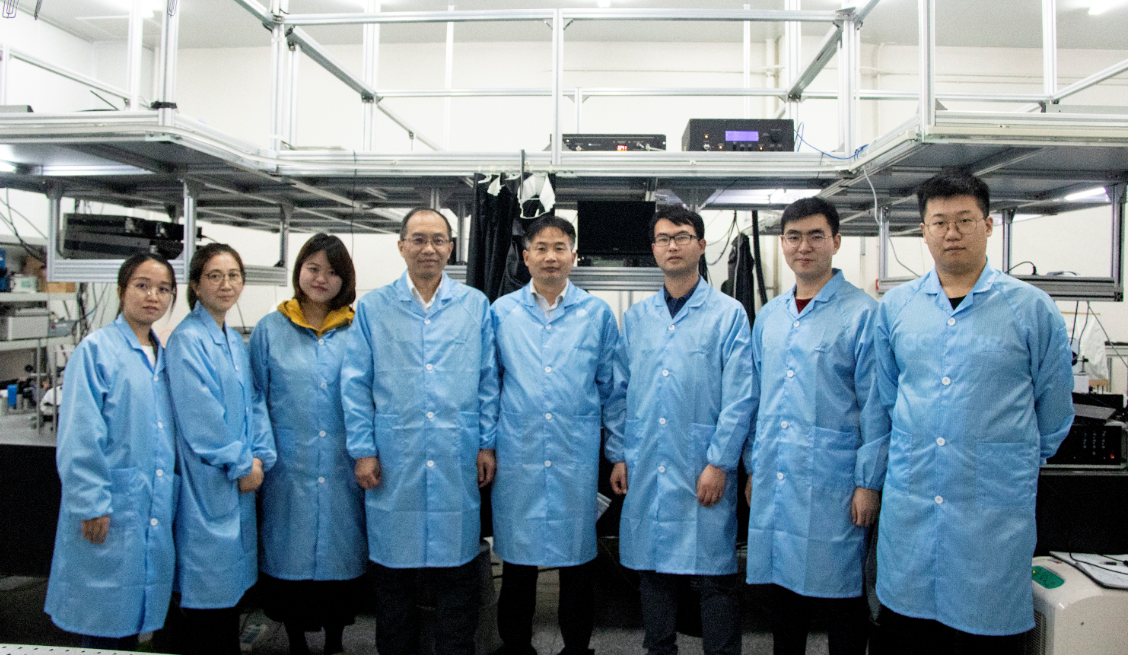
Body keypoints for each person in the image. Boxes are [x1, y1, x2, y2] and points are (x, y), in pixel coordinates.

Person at [871, 169, 1074, 653]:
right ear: (924, 231)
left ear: (987, 225)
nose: (952, 233)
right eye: (940, 222)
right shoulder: (897, 308)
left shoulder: (1031, 309)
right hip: (913, 503)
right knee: (908, 633)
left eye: (964, 220)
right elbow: (888, 398)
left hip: (992, 515)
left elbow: (1054, 413)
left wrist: (1004, 460)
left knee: (984, 634)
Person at [342, 207, 499, 655]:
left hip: (455, 454)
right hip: (396, 457)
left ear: (451, 248)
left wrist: (486, 443)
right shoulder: (374, 307)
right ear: (401, 246)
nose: (428, 248)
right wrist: (363, 449)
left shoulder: (474, 305)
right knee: (394, 579)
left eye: (438, 240)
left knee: (457, 575)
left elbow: (487, 380)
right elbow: (355, 383)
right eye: (418, 239)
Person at [606, 205, 754, 655]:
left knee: (715, 576)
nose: (673, 246)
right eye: (664, 238)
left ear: (701, 245)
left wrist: (719, 463)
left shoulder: (728, 314)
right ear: (653, 249)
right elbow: (619, 392)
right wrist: (618, 453)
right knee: (653, 572)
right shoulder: (637, 318)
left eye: (683, 236)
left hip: (702, 465)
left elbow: (740, 396)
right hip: (647, 461)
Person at [742, 197, 887, 655]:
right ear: (782, 244)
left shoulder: (862, 314)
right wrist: (753, 467)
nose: (803, 247)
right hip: (777, 476)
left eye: (815, 236)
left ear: (836, 241)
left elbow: (876, 407)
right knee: (784, 598)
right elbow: (757, 400)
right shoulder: (770, 316)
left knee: (844, 598)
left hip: (836, 483)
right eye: (793, 237)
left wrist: (868, 484)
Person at [489, 216, 624, 655]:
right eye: (541, 248)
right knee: (518, 563)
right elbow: (489, 385)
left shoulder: (596, 314)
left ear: (574, 256)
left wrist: (618, 452)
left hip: (574, 455)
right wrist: (485, 443)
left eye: (560, 247)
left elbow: (613, 389)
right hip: (519, 453)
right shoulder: (502, 313)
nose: (551, 256)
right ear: (526, 256)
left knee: (577, 562)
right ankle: (516, 647)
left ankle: (576, 648)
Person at [44, 252, 179, 651]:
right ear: (121, 291)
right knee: (104, 622)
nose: (153, 296)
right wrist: (91, 502)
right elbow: (80, 434)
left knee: (136, 617)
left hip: (150, 502)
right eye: (142, 285)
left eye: (163, 289)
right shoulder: (96, 350)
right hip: (110, 503)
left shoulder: (164, 355)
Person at [250, 234, 366, 655]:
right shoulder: (269, 329)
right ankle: (295, 641)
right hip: (287, 466)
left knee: (341, 557)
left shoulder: (358, 329)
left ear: (345, 280)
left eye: (333, 272)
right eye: (313, 268)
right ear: (299, 271)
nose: (321, 279)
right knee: (289, 557)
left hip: (343, 466)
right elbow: (254, 397)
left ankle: (336, 641)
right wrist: (261, 454)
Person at [167, 243, 276, 655]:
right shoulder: (187, 340)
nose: (226, 284)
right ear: (196, 285)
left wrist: (261, 455)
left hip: (239, 482)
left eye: (233, 275)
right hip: (208, 485)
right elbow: (202, 420)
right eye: (214, 276)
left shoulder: (231, 339)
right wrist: (242, 463)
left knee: (226, 602)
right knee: (206, 607)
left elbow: (254, 402)